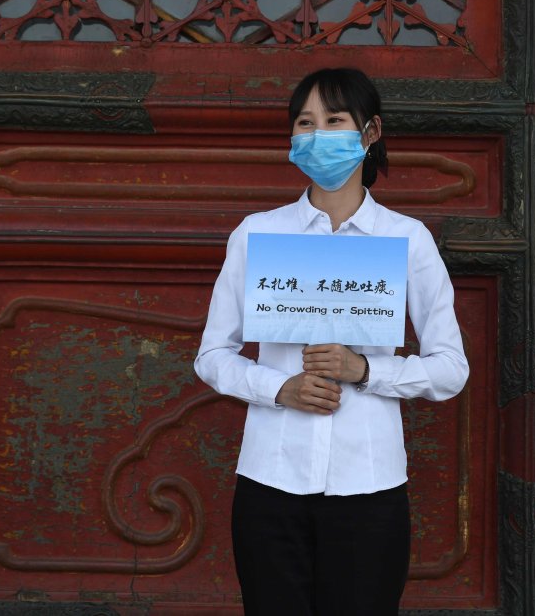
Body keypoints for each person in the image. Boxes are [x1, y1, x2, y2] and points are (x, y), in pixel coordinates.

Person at [194, 66, 470, 616]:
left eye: (335, 120)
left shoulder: (406, 239)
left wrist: (366, 371)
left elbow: (450, 368)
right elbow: (212, 357)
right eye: (305, 122)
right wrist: (280, 390)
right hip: (270, 481)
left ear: (369, 134)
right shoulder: (257, 233)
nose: (318, 135)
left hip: (369, 486)